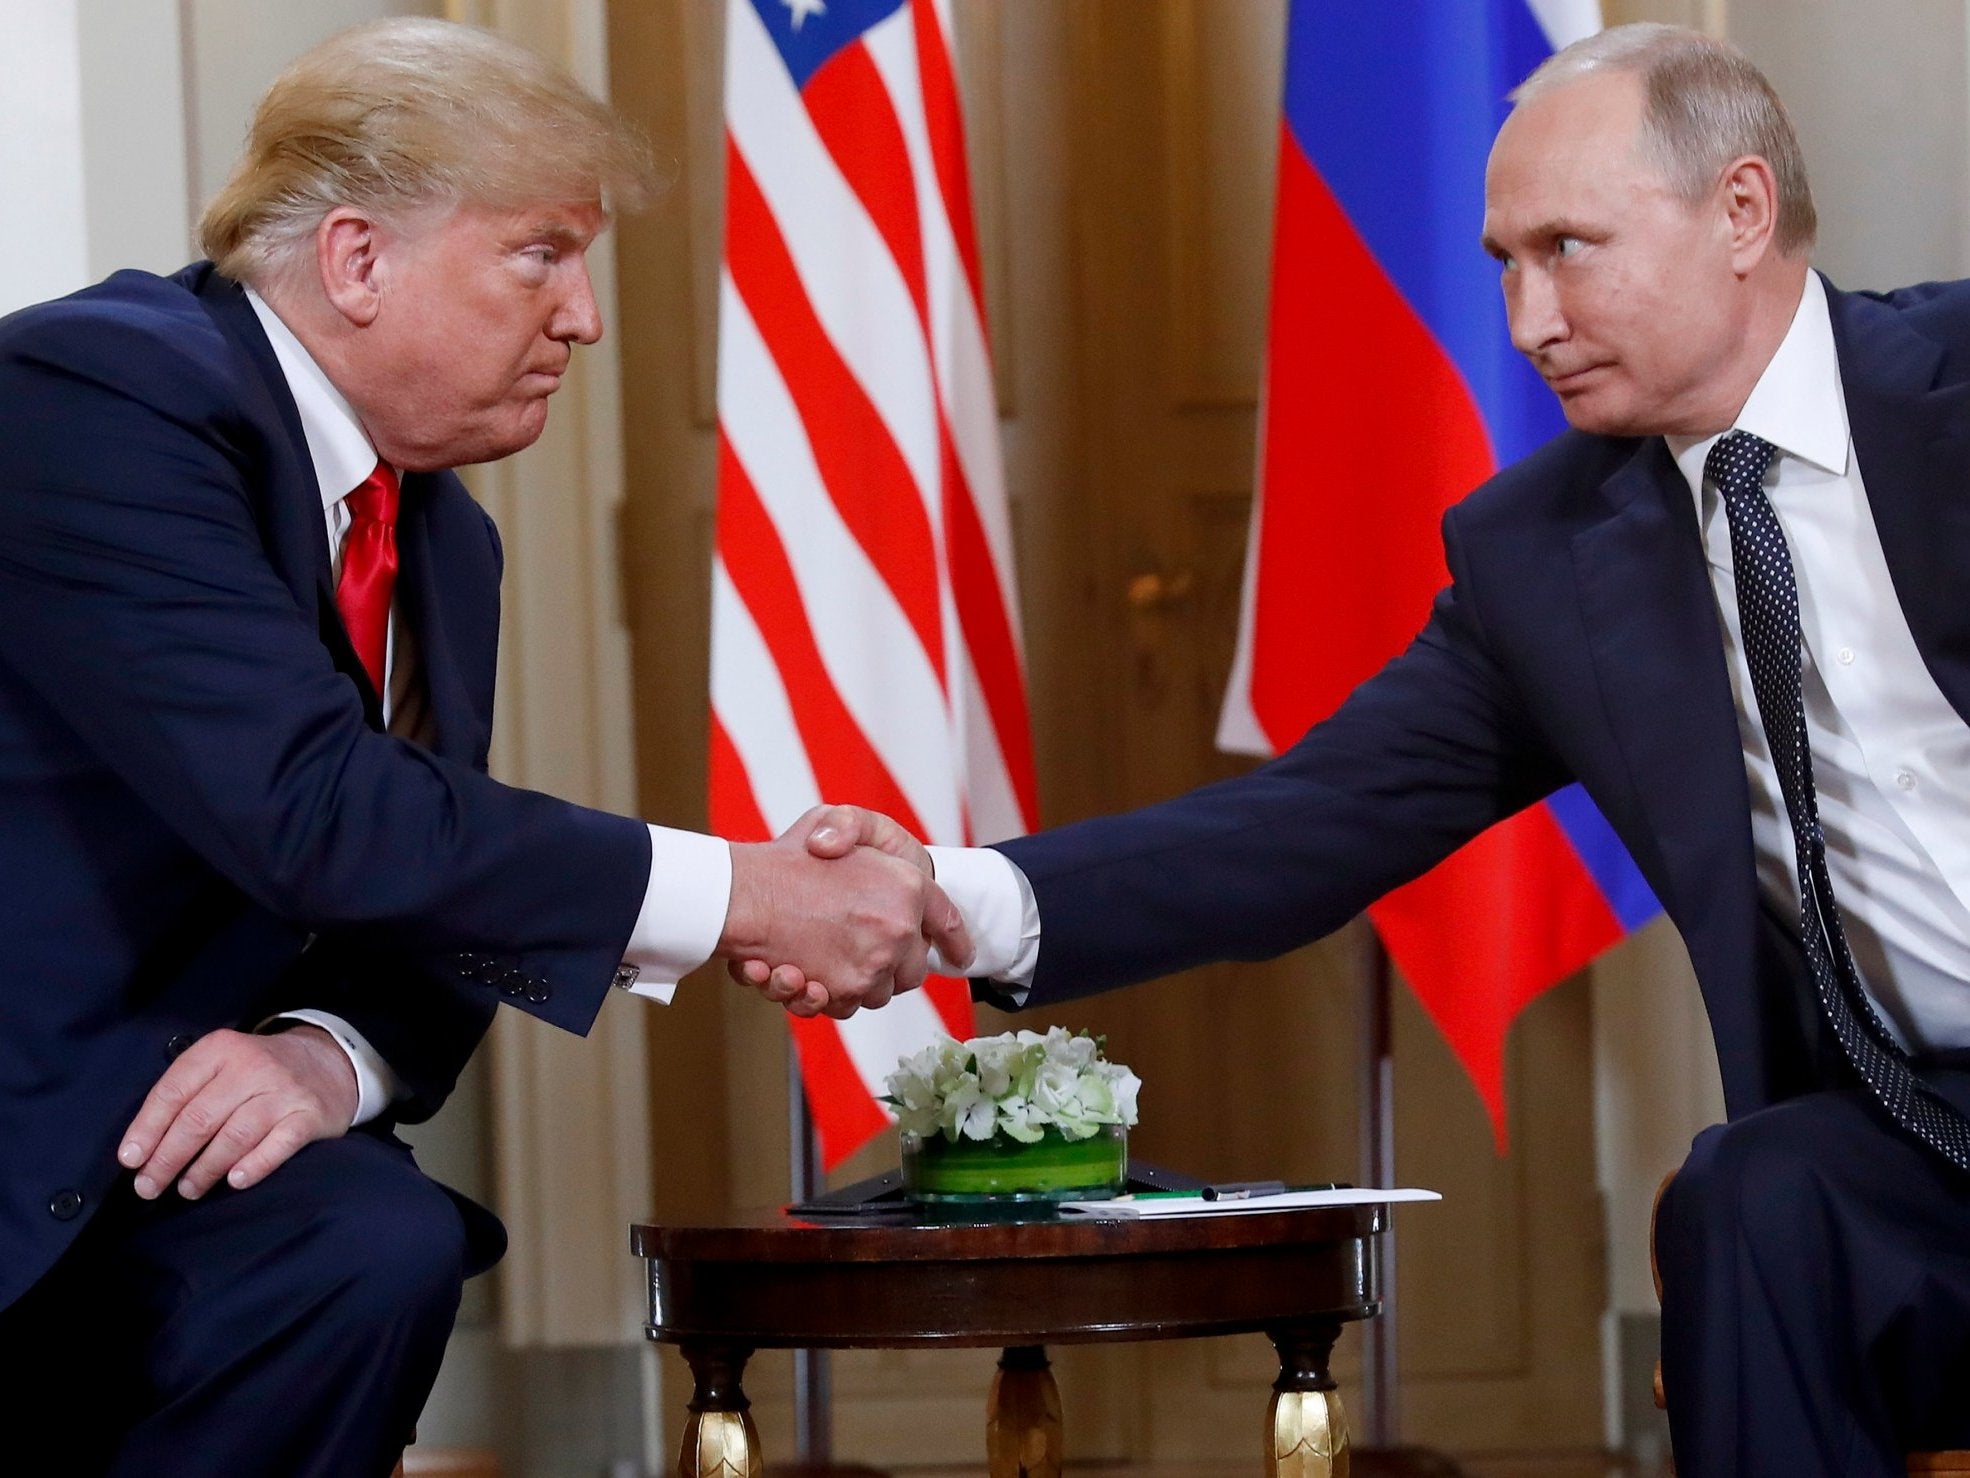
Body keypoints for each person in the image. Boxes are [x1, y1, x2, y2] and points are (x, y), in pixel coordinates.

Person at [760, 23, 1970, 1476]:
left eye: (1569, 247)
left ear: (1740, 212)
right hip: (1923, 1137)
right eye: (1503, 264)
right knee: (1753, 1196)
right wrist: (953, 897)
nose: (1528, 320)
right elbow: (1310, 822)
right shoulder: (1550, 559)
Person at [0, 18, 967, 1475]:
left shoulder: (440, 536)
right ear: (356, 259)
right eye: (540, 254)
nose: (581, 315)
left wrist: (331, 1058)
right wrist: (749, 894)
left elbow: (426, 874)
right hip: (26, 1105)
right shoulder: (98, 397)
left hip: (162, 1133)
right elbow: (316, 810)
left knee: (372, 1240)